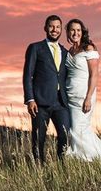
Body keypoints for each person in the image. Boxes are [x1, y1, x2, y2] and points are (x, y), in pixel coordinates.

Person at [23, 15, 70, 163]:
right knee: (39, 139)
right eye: (51, 26)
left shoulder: (65, 52)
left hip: (61, 102)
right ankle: (38, 170)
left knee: (65, 136)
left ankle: (61, 167)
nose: (54, 30)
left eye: (57, 27)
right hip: (40, 102)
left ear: (61, 30)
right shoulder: (35, 48)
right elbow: (27, 75)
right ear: (45, 28)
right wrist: (30, 99)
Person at [64, 18, 101, 161]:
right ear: (68, 32)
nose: (75, 33)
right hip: (70, 96)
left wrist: (88, 97)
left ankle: (94, 158)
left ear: (82, 32)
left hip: (84, 96)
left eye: (78, 30)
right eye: (72, 30)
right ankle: (92, 158)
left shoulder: (89, 48)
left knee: (78, 130)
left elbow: (94, 75)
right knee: (77, 130)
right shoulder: (70, 50)